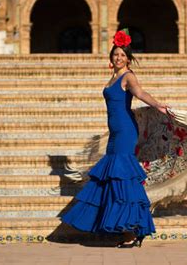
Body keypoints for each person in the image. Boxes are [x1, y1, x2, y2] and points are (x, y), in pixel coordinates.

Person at [61, 29, 168, 248]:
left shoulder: (128, 76)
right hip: (115, 133)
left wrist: (157, 104)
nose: (118, 58)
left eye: (122, 55)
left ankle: (130, 232)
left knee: (123, 180)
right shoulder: (113, 77)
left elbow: (140, 93)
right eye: (115, 54)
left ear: (128, 58)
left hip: (126, 132)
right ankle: (134, 228)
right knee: (117, 179)